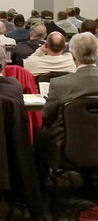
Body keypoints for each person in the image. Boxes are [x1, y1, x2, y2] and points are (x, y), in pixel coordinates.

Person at [36, 32, 98, 189]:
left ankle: (37, 192)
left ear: (73, 56)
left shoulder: (60, 84)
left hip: (65, 149)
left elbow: (47, 117)